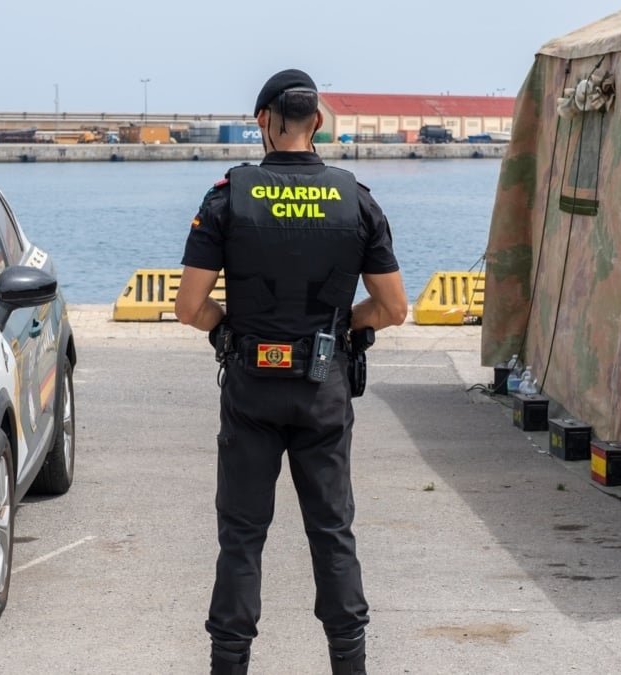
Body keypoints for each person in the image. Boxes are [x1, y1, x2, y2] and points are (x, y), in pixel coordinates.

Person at [174, 68, 408, 675]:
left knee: (242, 540)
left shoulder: (228, 196)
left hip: (252, 386)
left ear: (263, 122)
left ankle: (228, 665)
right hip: (322, 389)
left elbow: (189, 306)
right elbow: (393, 306)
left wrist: (228, 328)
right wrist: (342, 330)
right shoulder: (356, 198)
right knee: (332, 534)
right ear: (319, 125)